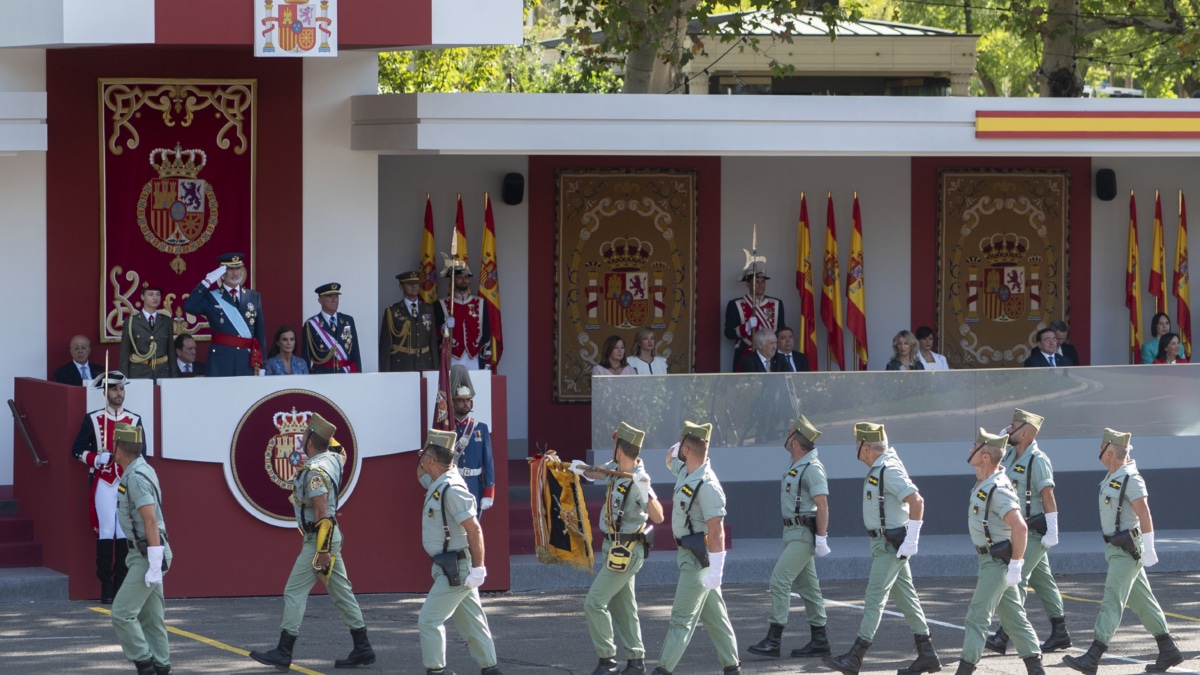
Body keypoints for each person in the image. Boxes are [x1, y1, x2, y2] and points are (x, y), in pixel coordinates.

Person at [249, 413, 376, 671]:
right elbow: (341, 452)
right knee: (342, 594)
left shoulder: (315, 471)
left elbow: (322, 513)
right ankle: (363, 648)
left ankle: (284, 651)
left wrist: (323, 551)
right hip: (328, 539)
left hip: (319, 540)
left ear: (309, 442)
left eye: (304, 436)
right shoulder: (334, 459)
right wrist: (320, 433)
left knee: (294, 591)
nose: (300, 440)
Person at [823, 422, 940, 675]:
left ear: (866, 447)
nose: (855, 447)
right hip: (885, 543)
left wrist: (912, 540)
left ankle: (855, 657)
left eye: (857, 443)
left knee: (874, 598)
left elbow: (916, 500)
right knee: (907, 600)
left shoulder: (888, 469)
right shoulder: (881, 467)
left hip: (890, 546)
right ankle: (927, 655)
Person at [1062, 429, 1182, 674]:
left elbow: (1145, 514)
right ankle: (1168, 648)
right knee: (1143, 602)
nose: (1098, 450)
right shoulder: (1113, 476)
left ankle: (1094, 655)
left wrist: (1149, 548)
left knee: (1112, 600)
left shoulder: (1130, 478)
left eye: (1101, 446)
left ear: (1109, 452)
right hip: (1117, 547)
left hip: (1127, 550)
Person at [568, 422, 665, 675]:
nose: (612, 448)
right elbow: (599, 472)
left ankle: (607, 660)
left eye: (614, 444)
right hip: (612, 546)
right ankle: (636, 661)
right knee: (623, 606)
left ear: (619, 448)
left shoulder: (640, 478)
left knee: (594, 603)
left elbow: (659, 516)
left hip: (627, 549)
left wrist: (646, 490)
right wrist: (580, 469)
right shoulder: (615, 468)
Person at [955, 428, 1045, 675]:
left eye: (974, 447)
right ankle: (1037, 670)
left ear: (985, 456)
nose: (969, 450)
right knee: (1014, 619)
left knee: (977, 617)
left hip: (996, 562)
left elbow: (1020, 526)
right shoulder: (985, 481)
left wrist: (1016, 565)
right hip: (991, 559)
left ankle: (964, 669)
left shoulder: (997, 487)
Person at [654, 421, 741, 675]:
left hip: (698, 560)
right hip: (690, 556)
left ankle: (662, 670)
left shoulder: (708, 485)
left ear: (688, 450)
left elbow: (717, 531)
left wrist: (717, 570)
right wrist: (681, 443)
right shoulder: (685, 471)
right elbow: (669, 459)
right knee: (715, 618)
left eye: (682, 444)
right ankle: (732, 668)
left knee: (681, 620)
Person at [985, 409, 1071, 657]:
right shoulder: (1011, 453)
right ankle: (1060, 632)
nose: (1008, 428)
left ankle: (1004, 635)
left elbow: (1048, 495)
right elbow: (993, 451)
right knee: (1043, 582)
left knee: (1017, 578)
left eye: (1013, 426)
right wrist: (1003, 435)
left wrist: (1053, 529)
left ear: (1026, 431)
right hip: (1017, 529)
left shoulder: (1038, 459)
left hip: (1033, 531)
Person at [416, 428, 502, 675]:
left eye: (425, 459)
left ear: (432, 462)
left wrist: (478, 568)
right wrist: (429, 448)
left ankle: (436, 671)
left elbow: (474, 530)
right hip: (450, 565)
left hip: (456, 568)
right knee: (473, 624)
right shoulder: (440, 480)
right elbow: (420, 473)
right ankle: (491, 669)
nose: (422, 463)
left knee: (429, 621)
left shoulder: (451, 488)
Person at [747, 415, 832, 660]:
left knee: (779, 581)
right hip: (792, 532)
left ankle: (774, 640)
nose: (786, 435)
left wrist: (822, 538)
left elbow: (823, 506)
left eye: (789, 432)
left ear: (796, 442)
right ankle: (820, 640)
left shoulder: (812, 468)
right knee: (809, 588)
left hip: (803, 534)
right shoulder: (797, 464)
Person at [71, 371, 143, 604]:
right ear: (105, 392)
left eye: (121, 389)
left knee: (123, 533)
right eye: (114, 389)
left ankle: (120, 583)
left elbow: (143, 455)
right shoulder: (93, 418)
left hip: (125, 483)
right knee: (105, 532)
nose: (119, 393)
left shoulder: (134, 419)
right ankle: (106, 586)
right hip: (103, 481)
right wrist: (94, 458)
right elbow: (76, 450)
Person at [110, 423, 172, 675]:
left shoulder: (135, 478)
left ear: (119, 449)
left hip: (148, 554)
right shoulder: (143, 469)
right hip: (150, 551)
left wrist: (154, 563)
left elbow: (150, 521)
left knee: (122, 613)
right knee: (152, 618)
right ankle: (161, 665)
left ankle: (145, 664)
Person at [182, 252, 266, 376]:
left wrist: (262, 364)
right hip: (221, 361)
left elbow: (260, 333)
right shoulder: (212, 297)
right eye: (230, 269)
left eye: (238, 268)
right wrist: (206, 282)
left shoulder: (253, 296)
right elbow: (189, 306)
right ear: (222, 272)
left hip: (246, 360)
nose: (235, 273)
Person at [451, 366, 495, 515]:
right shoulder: (447, 429)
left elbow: (488, 463)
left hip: (474, 486)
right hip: (452, 485)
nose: (466, 404)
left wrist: (488, 492)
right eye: (461, 400)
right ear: (453, 402)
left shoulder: (480, 428)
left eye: (468, 400)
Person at [725, 270, 785, 372]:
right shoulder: (735, 304)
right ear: (748, 284)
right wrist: (746, 327)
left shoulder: (776, 303)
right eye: (756, 282)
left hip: (771, 353)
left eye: (763, 282)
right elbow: (728, 333)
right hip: (746, 352)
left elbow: (781, 330)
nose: (760, 285)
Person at [435, 262, 492, 370]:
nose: (464, 280)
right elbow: (435, 333)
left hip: (475, 355)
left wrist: (487, 361)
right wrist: (444, 327)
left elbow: (486, 331)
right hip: (452, 355)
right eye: (459, 277)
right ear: (452, 280)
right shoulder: (441, 304)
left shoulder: (480, 303)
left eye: (466, 277)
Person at [380, 270, 437, 372]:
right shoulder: (392, 312)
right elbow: (385, 346)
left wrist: (436, 369)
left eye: (416, 283)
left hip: (425, 363)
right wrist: (385, 373)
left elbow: (433, 343)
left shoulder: (428, 309)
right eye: (409, 284)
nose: (414, 286)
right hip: (402, 364)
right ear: (401, 287)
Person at [302, 283, 362, 373]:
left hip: (346, 375)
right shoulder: (311, 324)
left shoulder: (348, 321)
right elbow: (306, 357)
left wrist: (358, 376)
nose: (334, 300)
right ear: (320, 300)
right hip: (321, 376)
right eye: (330, 296)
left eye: (336, 296)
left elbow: (355, 353)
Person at [119, 283, 175, 380]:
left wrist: (174, 377)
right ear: (142, 297)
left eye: (158, 294)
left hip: (162, 372)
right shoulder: (132, 321)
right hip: (138, 372)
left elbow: (171, 353)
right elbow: (124, 354)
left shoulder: (166, 321)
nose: (155, 298)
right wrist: (124, 379)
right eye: (150, 294)